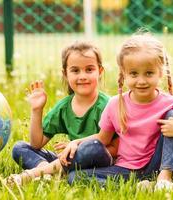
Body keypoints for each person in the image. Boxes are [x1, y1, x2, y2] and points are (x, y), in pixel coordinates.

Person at [59, 33, 173, 190]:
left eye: (149, 73)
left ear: (161, 73)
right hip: (125, 170)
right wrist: (76, 142)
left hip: (157, 165)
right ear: (124, 74)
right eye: (134, 73)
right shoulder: (115, 104)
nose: (141, 81)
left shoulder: (171, 104)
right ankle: (140, 187)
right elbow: (102, 139)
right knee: (75, 177)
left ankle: (164, 179)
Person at [7, 41, 118, 186]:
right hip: (68, 160)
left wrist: (78, 149)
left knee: (93, 147)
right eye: (75, 70)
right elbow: (36, 143)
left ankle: (40, 173)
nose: (82, 76)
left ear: (100, 71)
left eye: (89, 69)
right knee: (20, 148)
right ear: (65, 74)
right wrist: (37, 110)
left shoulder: (108, 105)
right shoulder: (64, 107)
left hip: (99, 163)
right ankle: (48, 172)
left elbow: (116, 150)